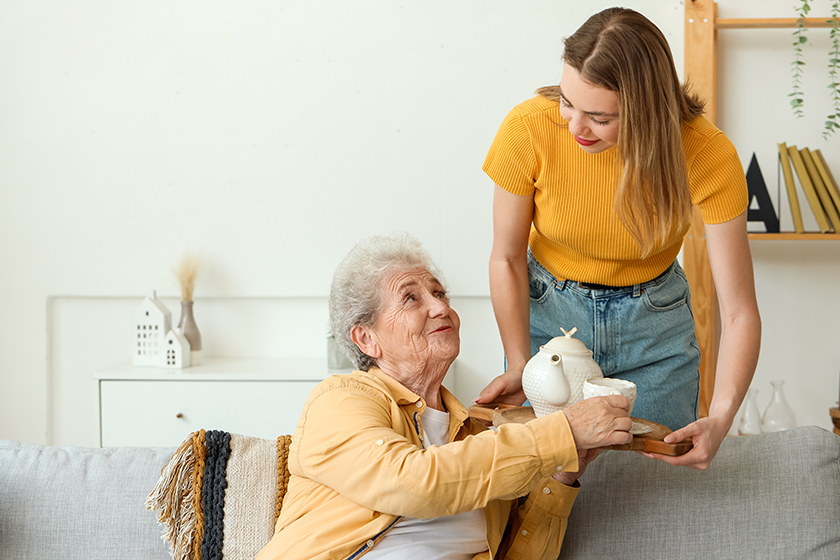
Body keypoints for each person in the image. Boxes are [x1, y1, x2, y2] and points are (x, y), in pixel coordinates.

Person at [475, 7, 761, 471]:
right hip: (552, 327)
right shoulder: (528, 127)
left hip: (656, 334)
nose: (574, 127)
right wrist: (517, 362)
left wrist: (722, 415)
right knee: (550, 486)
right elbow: (506, 257)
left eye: (599, 117)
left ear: (647, 110)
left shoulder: (708, 154)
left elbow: (739, 309)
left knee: (647, 497)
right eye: (568, 101)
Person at [257, 233, 632, 560]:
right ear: (366, 338)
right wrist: (560, 432)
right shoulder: (340, 400)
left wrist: (564, 474)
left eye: (439, 293)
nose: (441, 308)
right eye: (411, 299)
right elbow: (414, 483)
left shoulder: (477, 437)